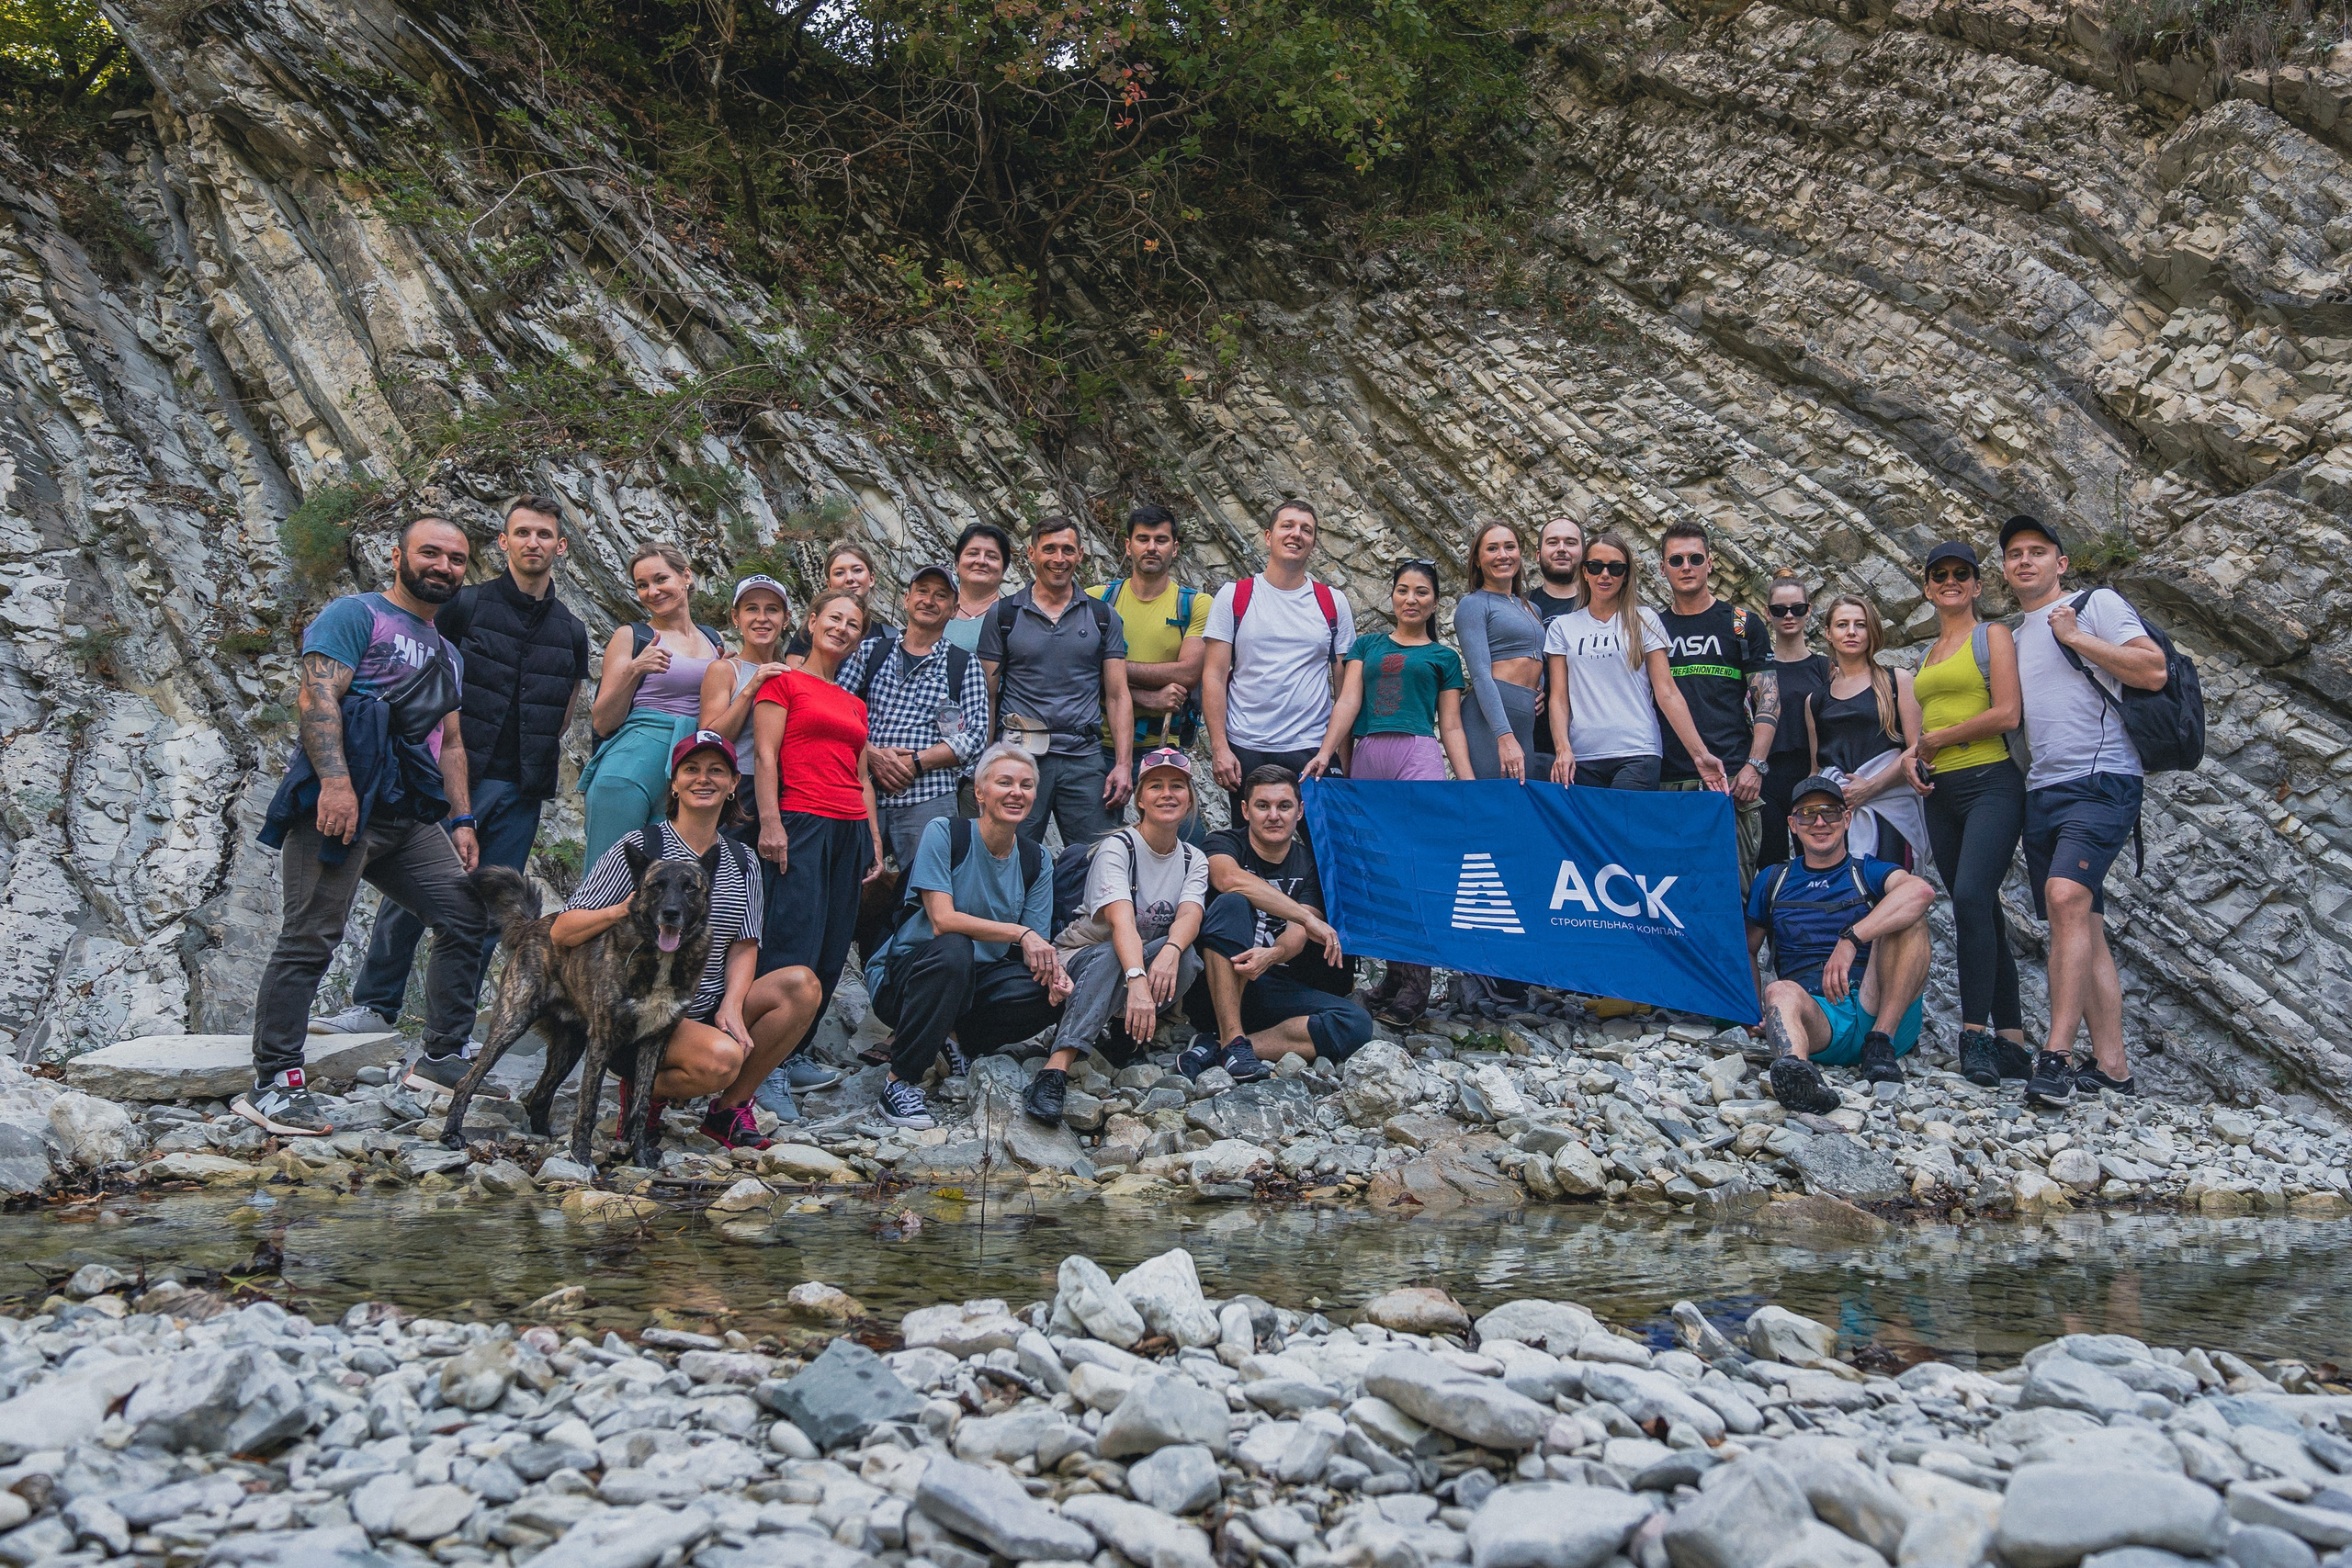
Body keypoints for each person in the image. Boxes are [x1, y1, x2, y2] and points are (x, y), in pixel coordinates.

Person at [241, 517, 490, 1135]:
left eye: (456, 558)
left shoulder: (447, 654)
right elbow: (316, 697)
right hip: (345, 803)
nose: (444, 566)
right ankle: (274, 1082)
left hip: (408, 817)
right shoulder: (356, 614)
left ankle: (440, 1059)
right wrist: (335, 783)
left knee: (464, 917)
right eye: (430, 552)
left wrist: (461, 819)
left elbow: (451, 744)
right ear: (397, 556)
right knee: (310, 937)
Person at [318, 495, 590, 1041]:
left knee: (496, 902)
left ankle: (454, 1029)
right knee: (417, 892)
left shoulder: (572, 630)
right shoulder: (465, 606)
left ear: (560, 547)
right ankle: (375, 1004)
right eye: (522, 533)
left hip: (523, 783)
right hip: (451, 775)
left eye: (543, 535)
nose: (533, 543)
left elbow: (567, 705)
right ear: (503, 543)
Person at [558, 733, 825, 1150]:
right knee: (722, 1058)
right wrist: (621, 909)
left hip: (705, 1006)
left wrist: (733, 1007)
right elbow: (563, 930)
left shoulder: (742, 859)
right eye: (692, 769)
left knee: (802, 986)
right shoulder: (640, 848)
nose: (704, 779)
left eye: (716, 770)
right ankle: (643, 1098)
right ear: (675, 784)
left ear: (735, 782)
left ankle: (727, 1112)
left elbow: (744, 944)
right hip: (643, 1018)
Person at [2001, 513, 2167, 1106]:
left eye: (2038, 552)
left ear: (2060, 563)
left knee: (2065, 899)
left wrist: (2074, 637)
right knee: (2083, 922)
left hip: (2103, 780)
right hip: (2043, 789)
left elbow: (2152, 669)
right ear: (2004, 568)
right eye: (2015, 554)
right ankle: (2116, 1069)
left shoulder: (2096, 605)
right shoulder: (2015, 636)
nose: (2026, 561)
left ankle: (2056, 1057)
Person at [865, 743, 1071, 1131]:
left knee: (1048, 994)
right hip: (910, 978)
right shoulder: (945, 833)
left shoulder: (1036, 859)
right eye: (1004, 782)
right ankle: (900, 1081)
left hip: (974, 985)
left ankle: (956, 1041)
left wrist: (1055, 974)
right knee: (954, 950)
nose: (1016, 792)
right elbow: (942, 920)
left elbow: (1033, 948)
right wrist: (1020, 932)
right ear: (979, 792)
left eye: (1026, 785)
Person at [1306, 558, 1473, 1025]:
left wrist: (1468, 784)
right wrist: (1326, 754)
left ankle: (1416, 988)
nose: (1411, 599)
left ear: (1434, 600)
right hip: (1368, 754)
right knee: (1377, 869)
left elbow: (1452, 725)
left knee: (1414, 865)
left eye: (1422, 592)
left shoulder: (1443, 658)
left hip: (1417, 753)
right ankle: (1393, 974)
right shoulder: (1367, 644)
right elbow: (1349, 701)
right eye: (1403, 590)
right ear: (1392, 596)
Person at [1024, 749, 1210, 1124]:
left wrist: (1172, 949)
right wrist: (1138, 980)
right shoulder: (1118, 847)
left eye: (1177, 786)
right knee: (1114, 953)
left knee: (1188, 957)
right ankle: (1055, 1068)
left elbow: (1190, 913)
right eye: (1156, 786)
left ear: (1189, 798)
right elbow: (1121, 921)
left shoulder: (1194, 858)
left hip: (1136, 958)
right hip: (1083, 953)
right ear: (1140, 799)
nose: (1167, 794)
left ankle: (1123, 1038)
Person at [1911, 540, 2032, 1089]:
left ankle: (1974, 1035)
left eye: (1962, 574)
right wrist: (1917, 761)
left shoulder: (1994, 636)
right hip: (1942, 791)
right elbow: (1921, 731)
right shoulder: (1930, 654)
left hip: (1991, 782)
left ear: (1978, 585)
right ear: (1929, 587)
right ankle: (2013, 1042)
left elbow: (2007, 712)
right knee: (1983, 910)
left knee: (1968, 900)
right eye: (1940, 575)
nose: (1951, 582)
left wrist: (1937, 740)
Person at [1746, 774, 1938, 1111]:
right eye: (1807, 814)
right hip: (1817, 1017)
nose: (1820, 822)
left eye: (1830, 812)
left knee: (1906, 915)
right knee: (1779, 991)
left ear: (1847, 818)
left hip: (1876, 1003)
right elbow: (1747, 948)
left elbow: (1920, 892)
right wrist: (1750, 1011)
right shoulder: (1774, 880)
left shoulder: (1867, 871)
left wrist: (1851, 940)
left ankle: (1880, 1042)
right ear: (1792, 824)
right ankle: (1798, 1074)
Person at [752, 591, 888, 1068]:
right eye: (834, 618)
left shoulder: (854, 702)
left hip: (850, 827)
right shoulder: (784, 682)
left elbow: (863, 776)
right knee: (792, 940)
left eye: (853, 624)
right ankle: (763, 1059)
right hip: (802, 820)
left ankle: (795, 1053)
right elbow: (765, 755)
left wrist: (873, 840)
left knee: (832, 946)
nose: (842, 629)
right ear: (811, 622)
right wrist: (771, 822)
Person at [1181, 766, 1374, 1081]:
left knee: (1355, 1023)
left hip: (1272, 985)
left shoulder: (1310, 863)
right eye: (1262, 806)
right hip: (1215, 984)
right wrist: (1307, 917)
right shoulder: (1223, 844)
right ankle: (1230, 1037)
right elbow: (1229, 879)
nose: (1274, 815)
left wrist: (1271, 955)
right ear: (1245, 810)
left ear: (1300, 811)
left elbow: (1297, 937)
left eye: (1284, 806)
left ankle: (1222, 1048)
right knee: (1233, 903)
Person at [978, 515, 1135, 846]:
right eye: (1049, 549)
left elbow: (1119, 695)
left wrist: (1123, 764)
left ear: (1080, 554)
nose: (1059, 559)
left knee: (1098, 860)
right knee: (1008, 854)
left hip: (1083, 757)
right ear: (1031, 553)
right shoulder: (1003, 615)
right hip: (1019, 755)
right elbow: (988, 696)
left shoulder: (1103, 617)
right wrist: (986, 757)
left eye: (1067, 549)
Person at [1203, 500, 1357, 819]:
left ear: (1313, 543)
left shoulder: (1332, 602)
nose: (1296, 534)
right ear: (1268, 535)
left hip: (1313, 748)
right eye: (1287, 526)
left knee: (1323, 852)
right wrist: (1220, 747)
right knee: (1253, 849)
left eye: (1306, 530)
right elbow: (1214, 676)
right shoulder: (1234, 596)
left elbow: (1345, 690)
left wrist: (1341, 758)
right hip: (1247, 745)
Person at [1544, 533, 1724, 793]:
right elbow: (1559, 698)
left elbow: (1667, 692)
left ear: (1626, 575)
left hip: (1638, 750)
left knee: (1623, 828)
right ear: (1584, 572)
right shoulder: (1563, 627)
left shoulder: (1644, 619)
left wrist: (1699, 754)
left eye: (1615, 568)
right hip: (1582, 756)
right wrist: (1563, 750)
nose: (1605, 575)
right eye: (1596, 566)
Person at [581, 545, 724, 865]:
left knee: (671, 882)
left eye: (661, 579)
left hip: (688, 764)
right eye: (642, 585)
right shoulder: (633, 636)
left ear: (686, 576)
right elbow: (602, 721)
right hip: (631, 762)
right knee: (607, 871)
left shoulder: (713, 639)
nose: (652, 592)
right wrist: (634, 669)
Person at [842, 563, 991, 866]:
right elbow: (836, 708)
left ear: (954, 609)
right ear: (907, 598)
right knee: (852, 885)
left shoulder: (964, 665)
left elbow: (975, 737)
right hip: (861, 792)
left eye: (940, 595)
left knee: (926, 894)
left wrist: (916, 762)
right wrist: (871, 754)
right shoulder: (870, 651)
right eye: (922, 592)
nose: (929, 600)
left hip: (930, 798)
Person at [1657, 523, 1777, 886]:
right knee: (1673, 895)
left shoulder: (1742, 624)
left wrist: (1755, 766)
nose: (1686, 566)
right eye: (1676, 560)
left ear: (1710, 563)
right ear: (1662, 568)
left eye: (1695, 558)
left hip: (1731, 780)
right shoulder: (1652, 628)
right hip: (1667, 782)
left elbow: (1768, 699)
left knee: (1732, 895)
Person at [1089, 505, 1208, 807]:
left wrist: (1109, 668)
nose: (1151, 547)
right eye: (1143, 539)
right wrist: (1147, 698)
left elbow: (1188, 674)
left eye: (1161, 539)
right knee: (1098, 842)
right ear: (1128, 546)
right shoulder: (1095, 600)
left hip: (1163, 747)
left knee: (1180, 841)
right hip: (1097, 744)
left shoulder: (1196, 605)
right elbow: (1075, 673)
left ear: (1175, 548)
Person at [1814, 595, 1926, 865]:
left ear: (1872, 630)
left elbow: (1918, 748)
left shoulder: (1896, 681)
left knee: (1893, 890)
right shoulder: (1816, 699)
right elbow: (1815, 767)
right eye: (1842, 625)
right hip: (1837, 814)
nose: (1851, 632)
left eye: (1860, 625)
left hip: (1890, 808)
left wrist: (1871, 788)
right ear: (1828, 633)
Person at [697, 574, 793, 833]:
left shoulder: (792, 673)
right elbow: (709, 739)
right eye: (751, 609)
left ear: (785, 619)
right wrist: (751, 688)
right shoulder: (725, 670)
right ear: (736, 618)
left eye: (772, 609)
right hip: (737, 784)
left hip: (785, 789)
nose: (762, 618)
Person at [1758, 574, 1831, 870]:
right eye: (1779, 610)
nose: (1789, 616)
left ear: (1809, 610)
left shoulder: (1824, 667)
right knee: (1770, 861)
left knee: (1819, 858)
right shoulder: (1758, 668)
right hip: (1767, 775)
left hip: (1813, 772)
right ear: (1768, 613)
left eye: (1797, 609)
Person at [1526, 514, 1585, 780]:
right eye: (1553, 542)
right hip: (1534, 742)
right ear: (1538, 555)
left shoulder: (1601, 606)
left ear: (1583, 554)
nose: (1562, 548)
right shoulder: (1521, 607)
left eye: (1570, 542)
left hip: (1595, 744)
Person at [786, 540, 893, 670]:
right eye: (839, 573)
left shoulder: (889, 637)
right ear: (829, 584)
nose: (849, 578)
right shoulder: (810, 632)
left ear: (871, 579)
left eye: (857, 570)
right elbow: (792, 684)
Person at [944, 523, 1013, 654]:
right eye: (973, 553)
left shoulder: (1012, 620)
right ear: (957, 564)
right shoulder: (936, 610)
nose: (981, 561)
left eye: (992, 556)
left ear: (1004, 570)